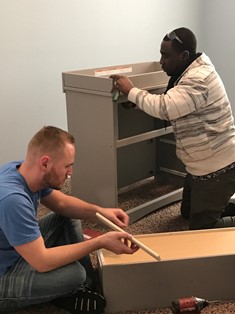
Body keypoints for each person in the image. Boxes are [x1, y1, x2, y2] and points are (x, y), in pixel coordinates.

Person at [0, 126, 139, 314]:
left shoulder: (22, 169)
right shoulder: (12, 199)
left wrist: (101, 212)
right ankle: (72, 288)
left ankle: (85, 287)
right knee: (74, 274)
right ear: (45, 163)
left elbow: (63, 204)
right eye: (67, 166)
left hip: (15, 250)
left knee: (69, 217)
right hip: (5, 272)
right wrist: (100, 242)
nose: (70, 172)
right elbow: (42, 261)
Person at [110, 27, 235, 230]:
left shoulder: (198, 79)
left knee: (202, 230)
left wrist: (131, 91)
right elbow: (173, 98)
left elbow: (166, 107)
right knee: (188, 212)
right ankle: (215, 205)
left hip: (217, 167)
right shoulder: (188, 71)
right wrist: (138, 100)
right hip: (201, 165)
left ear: (184, 55)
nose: (161, 61)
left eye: (166, 56)